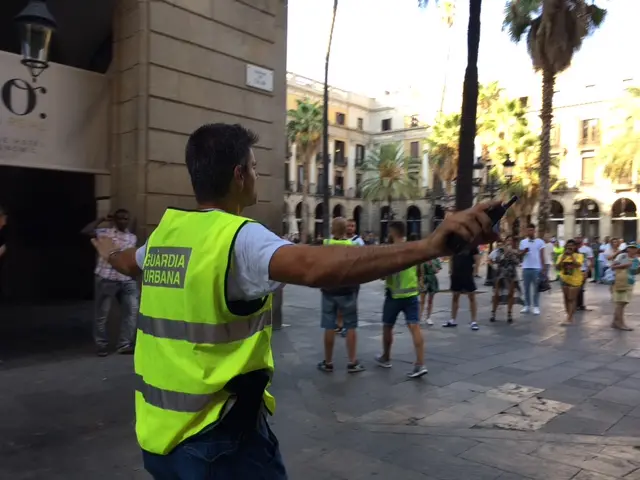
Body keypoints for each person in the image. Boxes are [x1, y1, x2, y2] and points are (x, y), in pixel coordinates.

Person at [90, 123, 497, 479]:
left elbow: (128, 263)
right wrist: (428, 246)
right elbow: (313, 267)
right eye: (253, 167)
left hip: (158, 437)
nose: (256, 175)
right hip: (219, 440)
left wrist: (106, 249)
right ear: (238, 175)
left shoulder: (164, 236)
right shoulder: (238, 237)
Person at [374, 222, 428, 378]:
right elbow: (420, 268)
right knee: (415, 327)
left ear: (392, 232)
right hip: (412, 294)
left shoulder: (390, 251)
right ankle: (420, 363)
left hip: (394, 295)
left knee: (387, 326)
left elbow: (384, 274)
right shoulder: (413, 248)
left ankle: (386, 357)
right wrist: (420, 282)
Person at [82, 209, 138, 356]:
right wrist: (101, 218)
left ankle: (125, 344)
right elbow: (86, 231)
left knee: (131, 312)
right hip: (106, 278)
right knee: (102, 314)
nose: (124, 221)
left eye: (126, 219)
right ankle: (101, 345)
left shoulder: (132, 238)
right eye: (120, 218)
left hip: (126, 279)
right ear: (114, 220)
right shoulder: (104, 233)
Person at [317, 217, 364, 373]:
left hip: (329, 291)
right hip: (348, 291)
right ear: (346, 230)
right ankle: (352, 362)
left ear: (332, 229)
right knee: (351, 326)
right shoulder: (353, 247)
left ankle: (328, 362)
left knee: (329, 326)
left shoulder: (326, 245)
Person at [444, 245, 480, 330]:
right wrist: (451, 271)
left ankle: (474, 321)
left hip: (467, 274)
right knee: (455, 296)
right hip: (456, 275)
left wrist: (475, 272)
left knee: (471, 297)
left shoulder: (472, 246)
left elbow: (477, 259)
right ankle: (453, 319)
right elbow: (451, 258)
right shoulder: (456, 245)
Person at [489, 236, 520, 323]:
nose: (509, 242)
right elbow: (491, 259)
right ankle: (493, 313)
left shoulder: (514, 251)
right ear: (505, 241)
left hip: (511, 274)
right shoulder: (499, 250)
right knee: (497, 294)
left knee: (511, 293)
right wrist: (494, 266)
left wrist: (513, 255)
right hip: (501, 274)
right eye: (508, 240)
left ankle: (509, 313)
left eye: (511, 240)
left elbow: (518, 262)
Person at [610, 242, 639, 331]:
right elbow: (612, 266)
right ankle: (620, 323)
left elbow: (634, 272)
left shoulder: (636, 259)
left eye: (635, 248)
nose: (633, 250)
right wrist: (625, 265)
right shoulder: (622, 256)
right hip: (620, 281)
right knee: (620, 303)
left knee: (624, 303)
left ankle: (615, 322)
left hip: (629, 282)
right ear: (627, 248)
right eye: (631, 248)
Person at [519, 223, 546, 315]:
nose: (529, 232)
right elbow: (520, 256)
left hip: (536, 268)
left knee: (536, 289)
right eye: (528, 230)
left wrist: (543, 268)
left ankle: (536, 306)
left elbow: (542, 255)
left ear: (534, 231)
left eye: (531, 230)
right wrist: (524, 252)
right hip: (526, 267)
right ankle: (526, 305)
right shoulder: (523, 242)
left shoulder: (540, 242)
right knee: (526, 288)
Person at [556, 239, 584, 326]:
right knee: (566, 298)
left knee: (572, 299)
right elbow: (557, 267)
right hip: (564, 279)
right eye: (568, 245)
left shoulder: (579, 255)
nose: (570, 247)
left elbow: (578, 265)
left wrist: (571, 256)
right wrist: (563, 258)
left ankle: (570, 318)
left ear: (575, 247)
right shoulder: (561, 256)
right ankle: (568, 315)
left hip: (575, 280)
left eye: (572, 245)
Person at [417, 247, 441, 326]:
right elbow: (418, 271)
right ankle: (419, 317)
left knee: (430, 300)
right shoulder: (422, 259)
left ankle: (428, 317)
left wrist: (431, 264)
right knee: (422, 301)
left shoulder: (435, 259)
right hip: (423, 280)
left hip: (432, 280)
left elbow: (437, 271)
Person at [576, 236, 594, 310]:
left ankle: (580, 304)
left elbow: (591, 260)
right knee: (576, 287)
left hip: (583, 270)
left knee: (581, 288)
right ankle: (576, 304)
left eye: (579, 238)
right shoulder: (573, 249)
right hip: (575, 271)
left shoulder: (587, 249)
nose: (577, 239)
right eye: (576, 238)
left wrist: (588, 271)